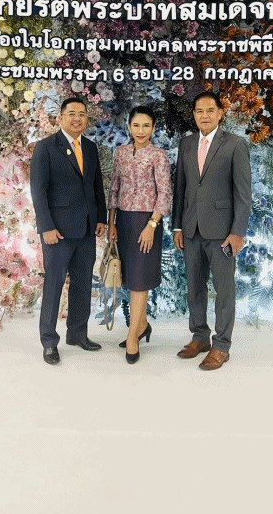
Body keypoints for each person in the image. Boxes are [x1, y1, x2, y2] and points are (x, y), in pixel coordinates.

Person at [172, 91, 251, 371]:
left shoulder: (235, 144)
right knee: (194, 288)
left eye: (210, 110)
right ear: (194, 114)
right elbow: (180, 188)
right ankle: (200, 337)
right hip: (191, 228)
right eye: (199, 111)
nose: (204, 115)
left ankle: (221, 346)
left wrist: (238, 232)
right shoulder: (186, 144)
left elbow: (243, 193)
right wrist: (178, 225)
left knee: (224, 290)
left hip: (222, 232)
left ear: (220, 113)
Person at [30, 97, 107, 365]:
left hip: (86, 228)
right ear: (61, 118)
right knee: (54, 285)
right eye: (72, 114)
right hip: (58, 232)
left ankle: (77, 333)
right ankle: (49, 342)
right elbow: (38, 191)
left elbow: (97, 186)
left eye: (82, 114)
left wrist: (100, 218)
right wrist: (47, 227)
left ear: (87, 119)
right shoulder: (46, 147)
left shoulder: (90, 147)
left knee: (83, 284)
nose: (77, 118)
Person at [107, 105, 172, 364]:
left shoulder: (159, 156)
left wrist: (152, 225)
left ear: (153, 128)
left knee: (140, 280)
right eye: (136, 125)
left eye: (146, 126)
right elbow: (114, 188)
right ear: (129, 127)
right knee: (129, 277)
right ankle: (142, 325)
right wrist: (111, 223)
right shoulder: (121, 153)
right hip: (123, 220)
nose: (141, 130)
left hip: (147, 222)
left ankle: (133, 335)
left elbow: (165, 192)